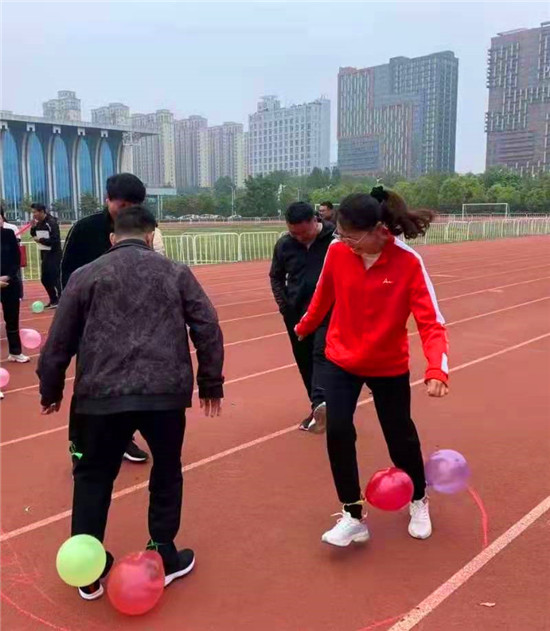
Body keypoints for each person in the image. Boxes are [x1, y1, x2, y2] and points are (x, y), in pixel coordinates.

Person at [37, 204, 224, 600]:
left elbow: (59, 340)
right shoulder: (175, 272)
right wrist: (210, 382)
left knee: (92, 476)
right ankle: (163, 553)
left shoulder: (86, 275)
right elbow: (207, 326)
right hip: (164, 394)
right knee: (167, 470)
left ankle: (87, 569)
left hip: (100, 396)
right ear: (152, 235)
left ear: (112, 237)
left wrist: (50, 389)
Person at [295, 187, 448, 547]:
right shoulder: (338, 252)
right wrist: (305, 325)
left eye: (352, 237)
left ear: (379, 230)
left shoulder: (408, 262)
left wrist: (436, 370)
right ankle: (352, 515)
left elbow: (431, 322)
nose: (345, 243)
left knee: (400, 435)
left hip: (387, 363)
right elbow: (324, 294)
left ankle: (418, 498)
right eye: (340, 235)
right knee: (338, 430)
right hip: (341, 359)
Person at [61, 172, 150, 463]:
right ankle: (79, 447)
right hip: (92, 325)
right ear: (107, 200)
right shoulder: (85, 229)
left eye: (134, 206)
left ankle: (123, 439)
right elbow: (68, 277)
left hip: (132, 324)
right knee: (87, 387)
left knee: (129, 384)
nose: (127, 212)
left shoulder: (143, 228)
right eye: (121, 205)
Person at [270, 201, 334, 433]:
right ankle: (318, 408)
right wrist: (284, 306)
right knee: (305, 361)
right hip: (296, 314)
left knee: (321, 353)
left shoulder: (334, 240)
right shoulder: (285, 245)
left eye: (303, 233)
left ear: (314, 221)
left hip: (329, 311)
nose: (298, 237)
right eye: (293, 233)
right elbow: (276, 276)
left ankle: (323, 402)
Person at [1, 214, 30, 400]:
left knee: (12, 319)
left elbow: (16, 259)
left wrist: (8, 277)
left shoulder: (8, 234)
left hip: (9, 284)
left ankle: (15, 352)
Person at [30, 203, 62, 308]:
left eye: (35, 212)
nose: (33, 215)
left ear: (42, 212)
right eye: (32, 212)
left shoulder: (51, 222)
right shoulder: (39, 223)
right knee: (45, 278)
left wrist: (41, 240)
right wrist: (33, 228)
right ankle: (53, 299)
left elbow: (55, 240)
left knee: (55, 277)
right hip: (44, 253)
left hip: (54, 254)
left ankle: (61, 299)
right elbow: (34, 235)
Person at [0, 205, 23, 299]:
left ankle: (20, 295)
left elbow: (16, 255)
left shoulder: (10, 231)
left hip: (9, 277)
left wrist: (8, 276)